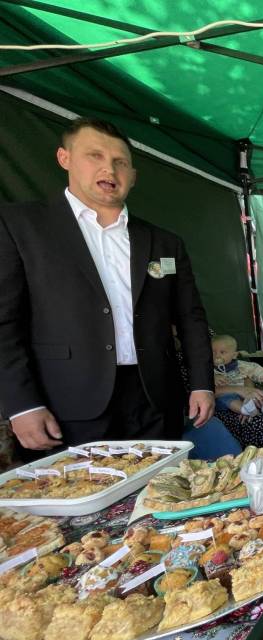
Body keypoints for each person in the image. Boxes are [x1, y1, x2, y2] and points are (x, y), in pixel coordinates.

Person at [0, 117, 214, 450]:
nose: (109, 170)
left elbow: (191, 319)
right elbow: (4, 322)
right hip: (66, 403)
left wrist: (202, 384)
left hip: (155, 400)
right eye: (95, 155)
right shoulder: (20, 225)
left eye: (120, 162)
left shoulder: (164, 242)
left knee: (163, 483)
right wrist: (22, 404)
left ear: (133, 176)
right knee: (81, 483)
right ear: (64, 158)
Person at [212, 334, 263, 418]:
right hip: (227, 396)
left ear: (234, 355)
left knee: (259, 394)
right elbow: (205, 382)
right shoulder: (210, 369)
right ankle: (244, 410)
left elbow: (255, 369)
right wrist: (214, 378)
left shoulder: (242, 366)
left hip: (247, 394)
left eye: (222, 352)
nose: (217, 356)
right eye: (213, 352)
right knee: (224, 398)